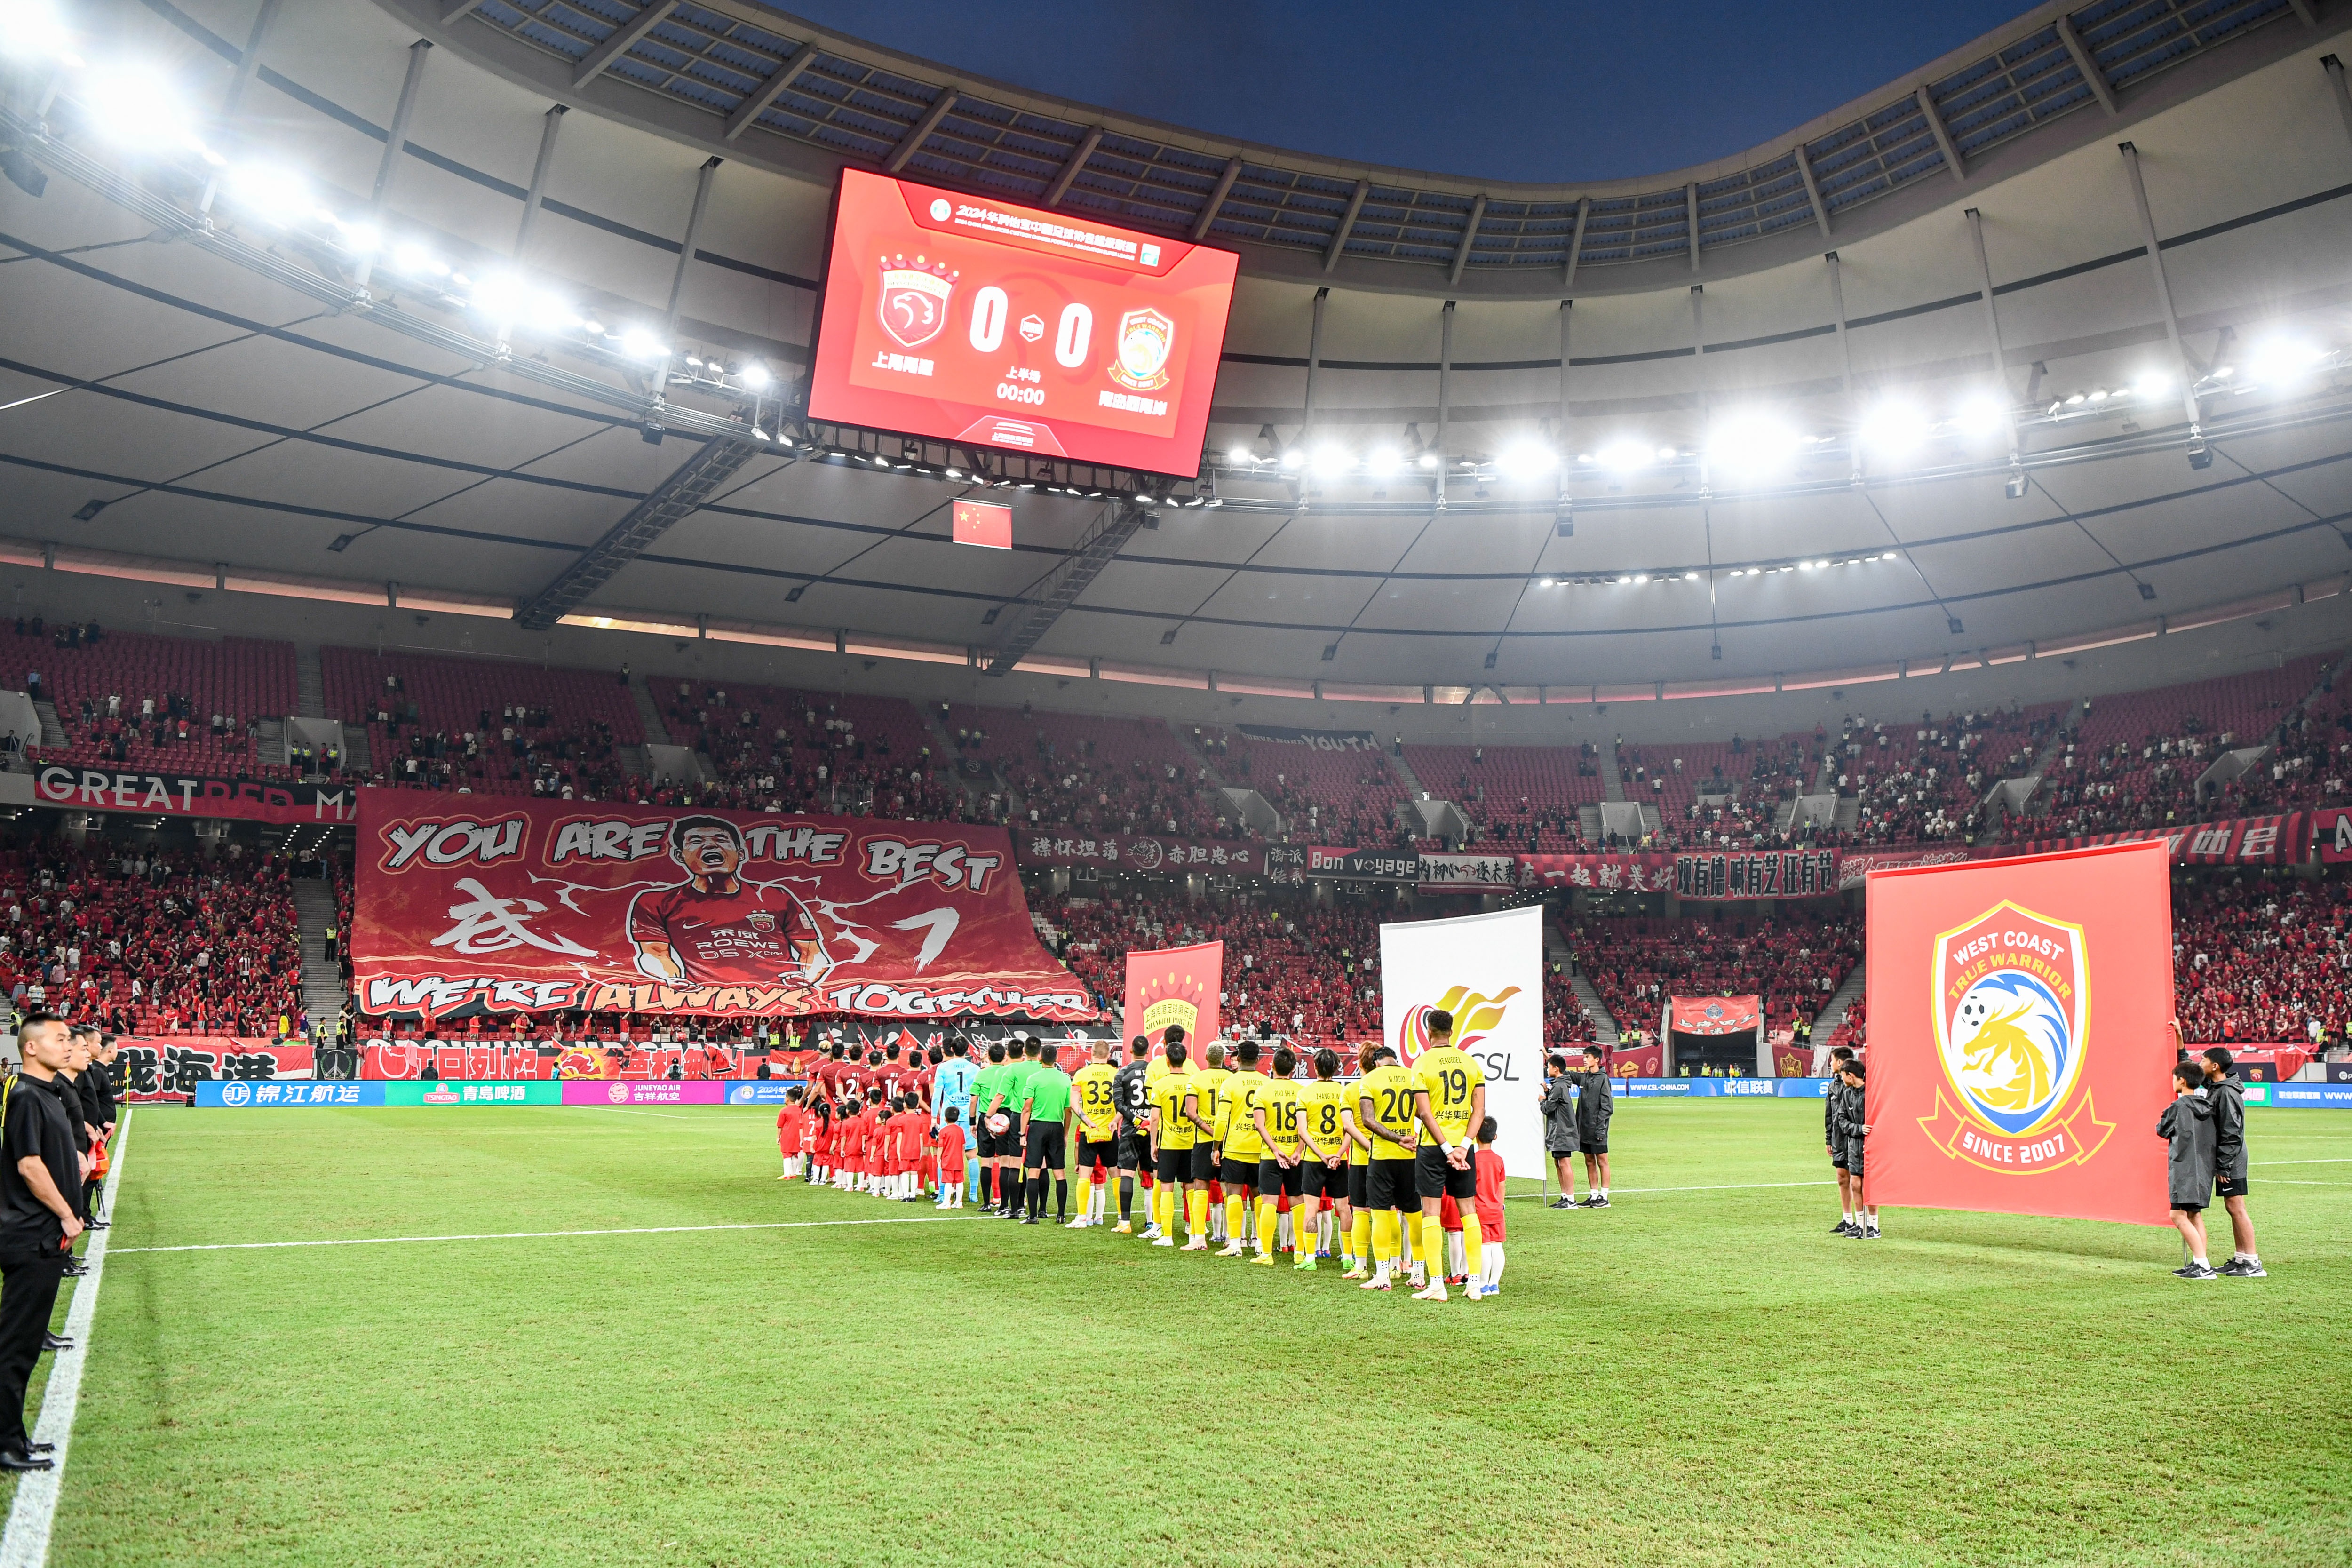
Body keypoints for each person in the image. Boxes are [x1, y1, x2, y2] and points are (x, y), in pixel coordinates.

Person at [0, 1014, 83, 1472]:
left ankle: (16, 1437)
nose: (67, 1044)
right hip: (31, 1235)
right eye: (59, 1038)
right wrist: (69, 1215)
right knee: (15, 1348)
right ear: (31, 1048)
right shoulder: (28, 1095)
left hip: (44, 1236)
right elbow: (30, 1166)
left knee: (24, 1348)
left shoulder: (46, 1094)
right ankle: (7, 1443)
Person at [1405, 1008, 1488, 1302]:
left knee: (1431, 1212)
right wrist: (1464, 1146)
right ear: (1452, 1031)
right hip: (1465, 1149)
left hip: (1433, 1148)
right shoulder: (1471, 1063)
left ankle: (1438, 1285)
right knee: (1469, 1211)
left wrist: (1445, 1149)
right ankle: (1475, 1283)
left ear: (1429, 1032)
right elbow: (1479, 1111)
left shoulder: (1422, 1063)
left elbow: (1425, 1113)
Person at [1355, 1043, 1424, 1292]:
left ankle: (1383, 1275)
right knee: (1415, 1215)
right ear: (1395, 1060)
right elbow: (1424, 1113)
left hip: (1383, 1156)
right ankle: (1419, 1273)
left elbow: (1367, 1120)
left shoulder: (1371, 1078)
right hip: (1411, 1156)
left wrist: (1396, 1138)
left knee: (1381, 1214)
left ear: (1376, 1062)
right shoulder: (1413, 1075)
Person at [2196, 1044, 2264, 1277]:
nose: (2200, 1064)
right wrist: (2180, 1044)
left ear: (2214, 1066)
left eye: (2203, 1060)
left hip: (2231, 1157)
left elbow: (2232, 1132)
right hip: (2229, 1156)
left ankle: (2253, 1262)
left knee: (2236, 1207)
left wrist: (2224, 1164)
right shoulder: (2218, 1086)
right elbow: (2193, 1077)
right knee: (2232, 1206)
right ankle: (2241, 1258)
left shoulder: (2226, 1092)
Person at [1146, 1039, 1209, 1249]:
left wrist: (1153, 1143)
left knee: (1166, 1187)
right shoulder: (1194, 1081)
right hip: (1191, 1142)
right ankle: (1194, 1232)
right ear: (1185, 1059)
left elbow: (1154, 1119)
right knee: (1190, 1188)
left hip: (1169, 1143)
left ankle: (1167, 1235)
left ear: (1167, 1060)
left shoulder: (1161, 1084)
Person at [2159, 1058, 2218, 1279]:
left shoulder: (2179, 1106)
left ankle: (2203, 1265)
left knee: (2177, 1215)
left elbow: (2162, 1130)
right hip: (2203, 1168)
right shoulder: (2208, 1106)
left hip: (2184, 1168)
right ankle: (2200, 1261)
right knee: (2195, 1215)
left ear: (2181, 1081)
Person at [1293, 1047, 1347, 1273]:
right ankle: (1348, 1257)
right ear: (1336, 1068)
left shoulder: (1305, 1094)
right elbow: (1349, 1129)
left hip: (1315, 1159)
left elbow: (1302, 1132)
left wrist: (1321, 1154)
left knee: (1311, 1209)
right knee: (1344, 1208)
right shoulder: (1345, 1092)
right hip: (1340, 1158)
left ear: (1315, 1067)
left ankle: (1309, 1257)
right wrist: (1338, 1153)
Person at [1247, 1043, 1302, 1266]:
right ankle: (1300, 1253)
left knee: (1268, 1202)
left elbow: (1260, 1126)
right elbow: (1304, 1129)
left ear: (1273, 1067)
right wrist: (1297, 1151)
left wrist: (1275, 1150)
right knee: (1298, 1203)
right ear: (1293, 1069)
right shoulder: (1301, 1091)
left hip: (1272, 1156)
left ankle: (1267, 1254)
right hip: (1296, 1156)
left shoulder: (1263, 1091)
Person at [1217, 1041, 1268, 1258]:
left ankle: (1236, 1244)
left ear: (1238, 1058)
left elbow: (1221, 1119)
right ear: (1258, 1060)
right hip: (1261, 1149)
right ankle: (1259, 1242)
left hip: (1236, 1147)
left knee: (1234, 1193)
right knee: (1260, 1196)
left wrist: (1215, 1146)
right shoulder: (1267, 1083)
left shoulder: (1229, 1083)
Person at [1017, 1044, 1073, 1226]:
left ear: (1040, 1058)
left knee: (1033, 1171)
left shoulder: (1034, 1079)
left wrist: (1022, 1133)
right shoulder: (1065, 1079)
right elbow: (1068, 1110)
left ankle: (1033, 1216)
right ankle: (1061, 1215)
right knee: (1059, 1173)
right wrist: (1065, 1134)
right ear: (1056, 1059)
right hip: (1056, 1127)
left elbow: (1027, 1108)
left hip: (1038, 1127)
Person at [1068, 1039, 1119, 1229]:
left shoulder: (1082, 1074)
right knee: (1116, 1174)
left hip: (1089, 1130)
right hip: (1110, 1130)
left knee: (1085, 1174)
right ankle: (1124, 1218)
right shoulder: (1117, 1074)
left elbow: (1074, 1102)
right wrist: (1115, 1121)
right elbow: (1124, 1103)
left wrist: (1087, 1120)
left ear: (1092, 1053)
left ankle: (1082, 1218)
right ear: (1109, 1055)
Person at [1110, 1036, 1154, 1234]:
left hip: (1130, 1130)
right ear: (1148, 1050)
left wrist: (1135, 1120)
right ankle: (1153, 1222)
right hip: (1151, 1129)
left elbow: (1119, 1104)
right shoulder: (1156, 1071)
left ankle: (1125, 1222)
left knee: (1127, 1174)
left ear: (1130, 1049)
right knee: (1150, 1175)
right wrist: (1147, 1121)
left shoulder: (1122, 1073)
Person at [931, 1037, 978, 1209]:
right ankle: (973, 1193)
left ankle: (943, 1193)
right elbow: (976, 1096)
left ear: (951, 1049)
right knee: (971, 1154)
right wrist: (976, 1118)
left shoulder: (943, 1068)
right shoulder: (975, 1068)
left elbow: (937, 1095)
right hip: (967, 1117)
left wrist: (933, 1119)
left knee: (944, 1154)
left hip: (948, 1117)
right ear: (968, 1049)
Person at [1195, 1043, 1234, 1244]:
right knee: (1230, 1188)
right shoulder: (1232, 1079)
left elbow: (1191, 1112)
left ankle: (1199, 1237)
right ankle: (1231, 1237)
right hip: (1228, 1140)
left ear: (1206, 1057)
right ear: (1224, 1059)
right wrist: (1220, 1133)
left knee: (1201, 1185)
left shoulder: (1197, 1079)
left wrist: (1209, 1130)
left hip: (1203, 1140)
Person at [1833, 1059, 1875, 1238]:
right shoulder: (1848, 1094)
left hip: (1871, 1146)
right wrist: (1858, 1129)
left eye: (1843, 1076)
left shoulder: (1872, 1094)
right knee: (1855, 1183)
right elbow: (1841, 1120)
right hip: (1853, 1145)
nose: (1842, 1079)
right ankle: (1860, 1224)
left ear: (1851, 1075)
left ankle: (1874, 1226)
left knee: (1870, 1187)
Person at [967, 1042, 1011, 1213]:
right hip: (1005, 1119)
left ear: (989, 1058)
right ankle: (1005, 1204)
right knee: (1005, 1161)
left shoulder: (981, 1074)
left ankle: (986, 1203)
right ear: (1004, 1057)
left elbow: (973, 1100)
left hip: (987, 1118)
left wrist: (973, 1122)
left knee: (987, 1162)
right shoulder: (1008, 1072)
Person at [1572, 1044, 1613, 1208]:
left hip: (1598, 1128)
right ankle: (1594, 1195)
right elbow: (1567, 1074)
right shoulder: (1585, 1078)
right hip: (1584, 1128)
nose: (1585, 1059)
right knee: (1589, 1161)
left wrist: (1601, 1128)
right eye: (1584, 1057)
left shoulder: (1603, 1079)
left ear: (1597, 1060)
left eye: (1588, 1057)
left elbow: (1608, 1107)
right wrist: (1549, 1059)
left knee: (1602, 1161)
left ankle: (1604, 1197)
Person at [1825, 1044, 1859, 1234]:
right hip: (1838, 1138)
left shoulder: (1855, 1084)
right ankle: (1847, 1219)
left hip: (1853, 1136)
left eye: (1832, 1061)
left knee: (1857, 1179)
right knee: (1842, 1177)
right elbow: (1829, 1114)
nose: (1831, 1064)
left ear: (1840, 1062)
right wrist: (1829, 1138)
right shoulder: (1833, 1085)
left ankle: (1863, 1221)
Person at [1472, 1116, 1507, 1296]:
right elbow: (1502, 1185)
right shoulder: (1499, 1160)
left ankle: (1483, 1283)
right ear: (1495, 1137)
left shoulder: (1473, 1160)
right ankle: (1495, 1284)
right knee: (1497, 1246)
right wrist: (1500, 1205)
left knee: (1484, 1247)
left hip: (1480, 1210)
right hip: (1496, 1210)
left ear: (1476, 1136)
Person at [1540, 1053, 1580, 1207]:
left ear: (1556, 1069)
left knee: (1564, 1162)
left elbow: (1549, 1108)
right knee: (1559, 1163)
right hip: (1559, 1130)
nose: (1547, 1069)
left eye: (1549, 1067)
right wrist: (1547, 1092)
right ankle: (1565, 1196)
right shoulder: (1558, 1085)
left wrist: (1542, 1100)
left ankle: (1571, 1199)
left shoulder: (1559, 1085)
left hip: (1563, 1131)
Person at [936, 1107, 967, 1208]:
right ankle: (959, 1202)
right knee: (959, 1182)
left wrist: (938, 1159)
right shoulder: (961, 1130)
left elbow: (941, 1147)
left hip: (948, 1160)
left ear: (945, 1118)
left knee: (948, 1182)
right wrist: (961, 1158)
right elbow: (963, 1146)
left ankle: (946, 1202)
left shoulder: (944, 1131)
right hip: (958, 1160)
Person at [776, 1088, 806, 1180]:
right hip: (798, 1135)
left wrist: (778, 1137)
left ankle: (787, 1174)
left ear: (787, 1099)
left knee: (787, 1154)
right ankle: (793, 1173)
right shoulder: (800, 1110)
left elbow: (780, 1126)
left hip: (787, 1135)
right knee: (795, 1154)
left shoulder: (784, 1111)